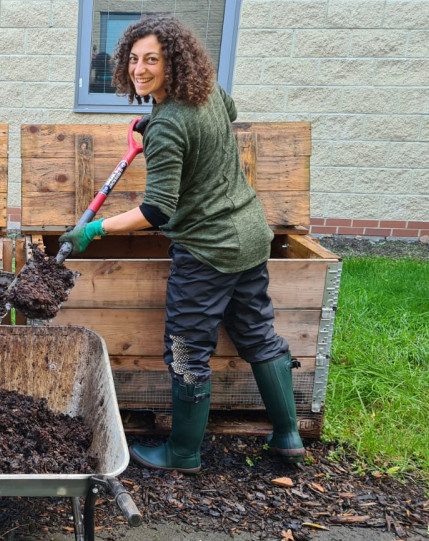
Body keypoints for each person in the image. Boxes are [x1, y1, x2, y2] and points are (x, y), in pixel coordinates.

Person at [59, 14, 304, 473]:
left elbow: (158, 211)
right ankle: (288, 436)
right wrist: (151, 127)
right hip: (250, 236)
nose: (139, 69)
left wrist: (94, 230)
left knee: (187, 349)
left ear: (174, 61)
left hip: (209, 249)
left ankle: (184, 452)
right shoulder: (208, 93)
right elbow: (225, 116)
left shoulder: (170, 123)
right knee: (258, 334)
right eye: (133, 59)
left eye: (152, 59)